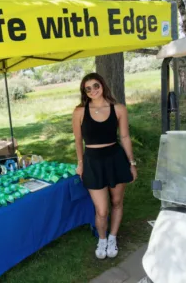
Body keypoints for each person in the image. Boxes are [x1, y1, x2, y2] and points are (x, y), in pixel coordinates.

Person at [72, 73, 137, 259]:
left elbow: (124, 137)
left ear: (103, 85)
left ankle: (112, 237)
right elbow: (78, 140)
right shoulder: (79, 111)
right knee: (101, 210)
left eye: (96, 85)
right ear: (84, 91)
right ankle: (102, 239)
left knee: (117, 202)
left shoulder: (119, 109)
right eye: (88, 88)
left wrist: (132, 163)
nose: (93, 90)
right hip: (92, 161)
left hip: (115, 159)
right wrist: (80, 163)